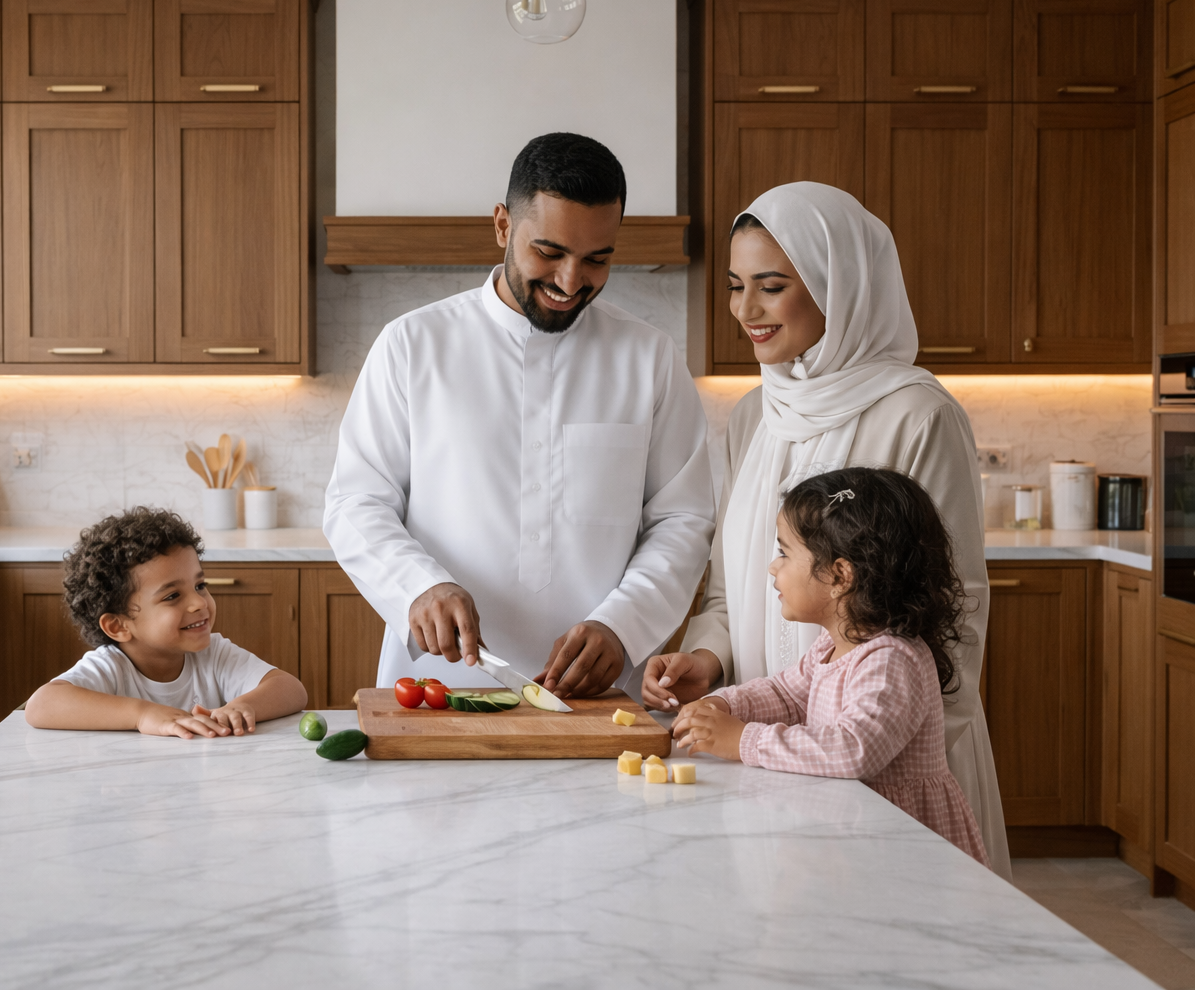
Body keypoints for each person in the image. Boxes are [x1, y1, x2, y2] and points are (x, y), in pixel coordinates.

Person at [641, 181, 1010, 878]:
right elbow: (729, 590)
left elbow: (954, 609)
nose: (744, 310)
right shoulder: (753, 416)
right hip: (773, 759)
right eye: (735, 286)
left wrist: (895, 766)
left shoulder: (918, 415)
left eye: (772, 286)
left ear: (840, 285)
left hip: (887, 775)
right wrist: (706, 661)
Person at [324, 132, 715, 699]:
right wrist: (418, 586)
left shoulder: (649, 357)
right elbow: (356, 502)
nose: (570, 281)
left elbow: (682, 519)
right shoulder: (411, 345)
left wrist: (623, 624)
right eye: (550, 253)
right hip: (439, 689)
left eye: (597, 259)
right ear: (503, 225)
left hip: (598, 698)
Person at [673, 467, 989, 867]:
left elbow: (853, 750)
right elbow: (785, 694)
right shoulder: (835, 644)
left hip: (901, 843)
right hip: (858, 830)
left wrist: (744, 741)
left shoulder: (891, 659)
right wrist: (724, 705)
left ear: (840, 575)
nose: (773, 567)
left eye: (785, 553)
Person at [25, 507, 307, 739]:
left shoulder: (214, 654)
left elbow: (291, 689)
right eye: (172, 596)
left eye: (199, 585)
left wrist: (242, 706)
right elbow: (41, 706)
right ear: (118, 626)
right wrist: (143, 715)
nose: (199, 603)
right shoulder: (110, 667)